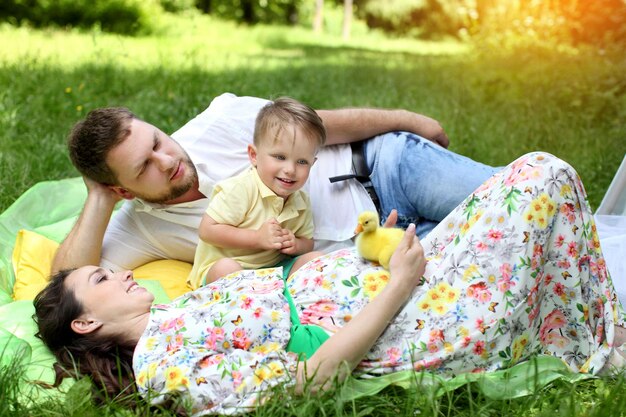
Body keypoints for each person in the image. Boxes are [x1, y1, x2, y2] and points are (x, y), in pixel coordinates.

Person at [35, 153, 626, 416]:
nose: (119, 271)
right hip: (409, 319)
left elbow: (290, 280)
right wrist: (397, 285)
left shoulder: (184, 306)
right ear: (86, 322)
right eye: (101, 277)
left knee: (534, 174)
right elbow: (308, 382)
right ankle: (603, 340)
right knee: (542, 177)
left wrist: (367, 255)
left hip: (383, 274)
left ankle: (592, 325)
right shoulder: (165, 362)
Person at [51, 93, 499, 274]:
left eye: (156, 141)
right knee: (500, 254)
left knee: (520, 195)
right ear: (122, 191)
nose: (166, 160)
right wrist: (98, 195)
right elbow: (65, 280)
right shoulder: (139, 225)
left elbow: (325, 125)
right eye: (143, 167)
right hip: (375, 246)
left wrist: (413, 121)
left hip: (386, 168)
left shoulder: (220, 121)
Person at [189, 97, 324, 287]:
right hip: (228, 271)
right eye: (280, 157)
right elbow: (208, 230)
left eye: (302, 162)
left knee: (316, 259)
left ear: (313, 163)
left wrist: (295, 245)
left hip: (274, 270)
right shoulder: (241, 189)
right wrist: (257, 238)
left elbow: (307, 242)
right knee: (226, 268)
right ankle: (257, 304)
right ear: (254, 155)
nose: (290, 170)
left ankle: (287, 302)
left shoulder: (300, 200)